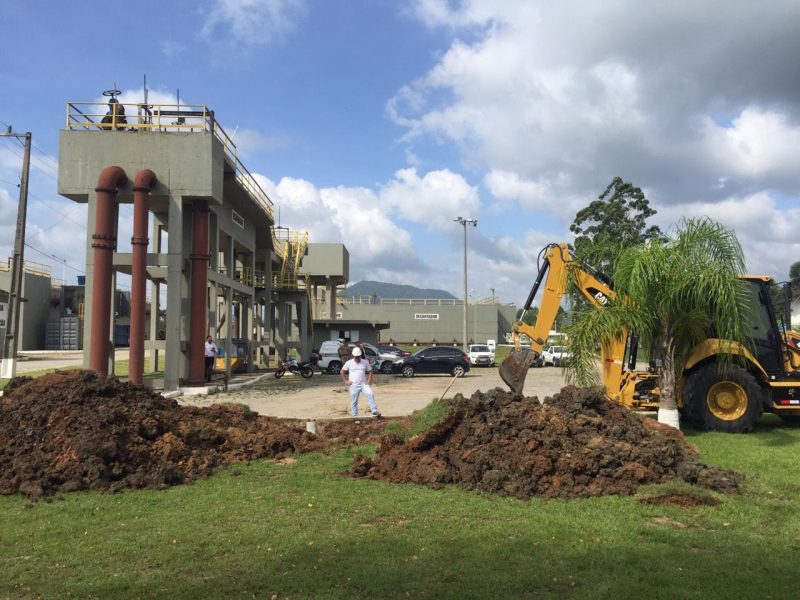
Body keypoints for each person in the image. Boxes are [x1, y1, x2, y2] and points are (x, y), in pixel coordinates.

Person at [340, 347, 381, 418]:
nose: (357, 358)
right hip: (353, 385)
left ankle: (374, 411)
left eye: (358, 357)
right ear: (353, 356)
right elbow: (342, 371)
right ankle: (354, 416)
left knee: (370, 394)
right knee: (354, 401)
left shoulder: (365, 362)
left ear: (360, 355)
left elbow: (370, 371)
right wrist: (346, 381)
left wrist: (369, 380)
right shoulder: (349, 363)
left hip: (363, 384)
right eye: (356, 357)